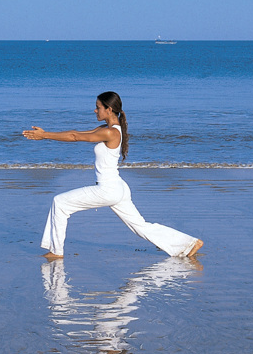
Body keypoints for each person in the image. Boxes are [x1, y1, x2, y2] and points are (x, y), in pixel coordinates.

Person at [23, 91, 204, 260]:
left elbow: (74, 137)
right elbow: (78, 133)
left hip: (108, 189)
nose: (95, 110)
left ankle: (56, 251)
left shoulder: (110, 132)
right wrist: (46, 134)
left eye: (98, 107)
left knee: (60, 202)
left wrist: (45, 135)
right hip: (118, 188)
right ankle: (189, 244)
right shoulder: (107, 128)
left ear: (109, 109)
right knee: (140, 226)